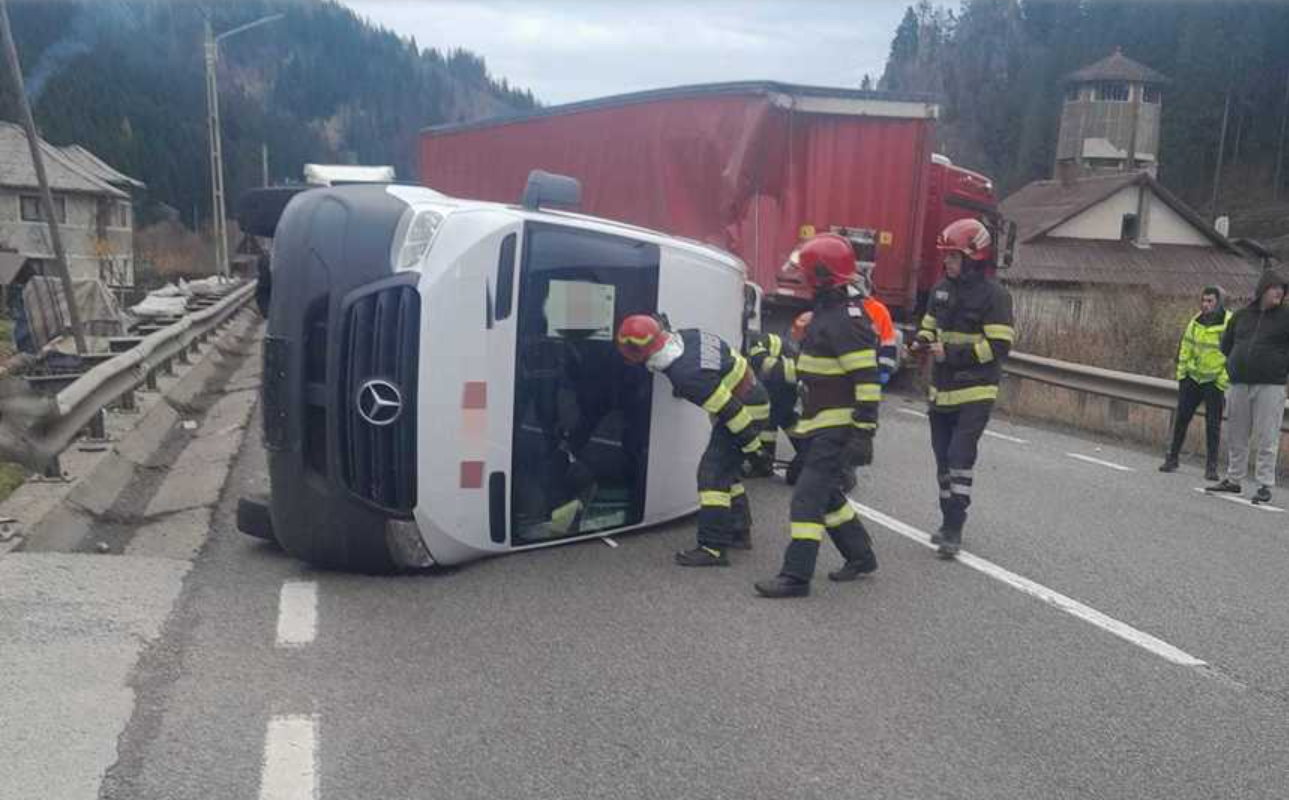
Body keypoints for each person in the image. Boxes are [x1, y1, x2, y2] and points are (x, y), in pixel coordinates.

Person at [754, 233, 881, 598]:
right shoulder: (829, 312)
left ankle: (796, 577)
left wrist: (863, 433)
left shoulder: (846, 319)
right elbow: (815, 367)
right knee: (827, 495)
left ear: (823, 276)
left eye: (808, 272)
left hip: (836, 427)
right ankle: (861, 556)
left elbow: (867, 380)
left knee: (807, 498)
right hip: (818, 421)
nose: (803, 278)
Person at [616, 314, 770, 564]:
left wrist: (756, 450)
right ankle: (738, 530)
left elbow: (732, 411)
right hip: (751, 393)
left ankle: (712, 548)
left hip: (744, 411)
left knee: (711, 476)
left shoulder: (687, 376)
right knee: (726, 471)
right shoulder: (688, 336)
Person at [910, 218, 1014, 558]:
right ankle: (946, 521)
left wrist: (952, 354)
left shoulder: (995, 296)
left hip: (975, 391)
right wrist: (920, 342)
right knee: (943, 461)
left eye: (954, 256)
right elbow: (929, 326)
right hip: (941, 391)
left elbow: (998, 347)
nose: (947, 262)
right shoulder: (941, 289)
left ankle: (955, 527)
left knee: (959, 458)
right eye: (946, 256)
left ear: (973, 257)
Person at [1206, 270, 1289, 504]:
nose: (1280, 292)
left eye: (1282, 289)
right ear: (1263, 290)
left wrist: (1280, 367)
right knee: (1236, 434)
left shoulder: (1286, 316)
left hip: (1270, 385)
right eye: (1275, 288)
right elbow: (1226, 345)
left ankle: (1264, 484)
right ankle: (1234, 480)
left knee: (1267, 436)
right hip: (1239, 383)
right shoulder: (1241, 316)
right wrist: (1235, 364)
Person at [1160, 287, 1231, 480]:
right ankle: (1172, 458)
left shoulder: (1229, 322)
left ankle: (1211, 467)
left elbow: (1233, 354)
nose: (1205, 305)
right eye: (1203, 300)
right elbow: (1186, 347)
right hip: (1192, 378)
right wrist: (1182, 375)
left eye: (1210, 301)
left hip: (1214, 381)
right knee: (1181, 419)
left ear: (1218, 302)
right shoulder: (1196, 321)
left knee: (1213, 426)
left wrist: (1222, 380)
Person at [742, 327, 800, 477]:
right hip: (782, 389)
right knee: (785, 420)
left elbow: (770, 368)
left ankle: (764, 464)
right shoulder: (761, 345)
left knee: (769, 424)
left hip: (780, 389)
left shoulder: (757, 347)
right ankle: (807, 452)